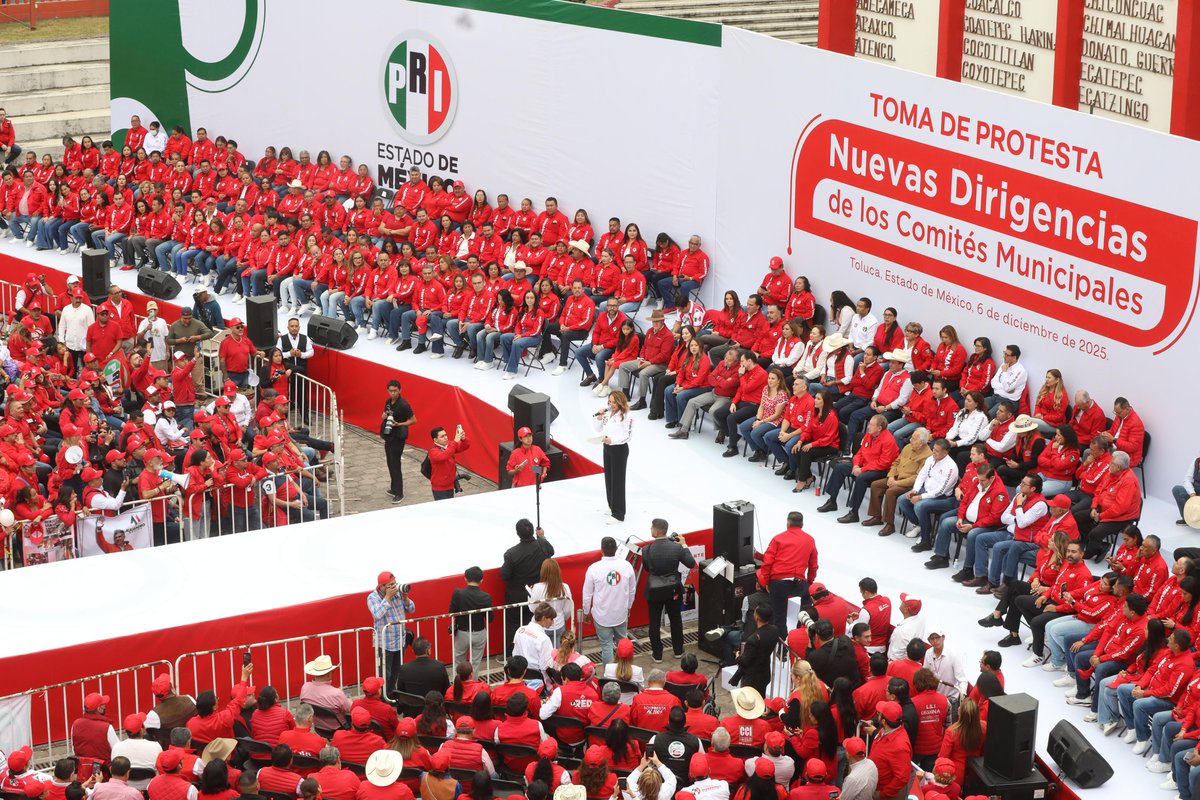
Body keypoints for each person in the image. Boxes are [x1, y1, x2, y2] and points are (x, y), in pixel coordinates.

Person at [641, 519, 696, 662]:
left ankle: (657, 655)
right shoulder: (676, 548)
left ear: (657, 530)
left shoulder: (647, 549)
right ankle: (678, 651)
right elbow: (691, 563)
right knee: (675, 619)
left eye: (652, 527)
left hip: (655, 590)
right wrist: (684, 544)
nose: (650, 529)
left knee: (654, 622)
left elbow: (647, 568)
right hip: (673, 590)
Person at [757, 511, 818, 635]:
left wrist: (767, 581)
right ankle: (801, 630)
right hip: (799, 581)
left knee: (779, 615)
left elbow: (767, 562)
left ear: (788, 523)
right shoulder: (810, 540)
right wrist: (809, 582)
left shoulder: (778, 538)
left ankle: (781, 645)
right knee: (807, 603)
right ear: (802, 524)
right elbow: (813, 565)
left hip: (778, 582)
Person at [500, 519, 554, 655]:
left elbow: (504, 575)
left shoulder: (512, 554)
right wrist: (542, 537)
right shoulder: (541, 546)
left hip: (516, 596)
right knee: (534, 624)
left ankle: (512, 654)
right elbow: (551, 551)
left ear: (518, 533)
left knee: (513, 625)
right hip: (536, 595)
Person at [582, 536, 637, 664]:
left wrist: (586, 612)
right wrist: (629, 606)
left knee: (606, 646)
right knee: (623, 643)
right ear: (616, 549)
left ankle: (609, 677)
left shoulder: (594, 568)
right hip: (620, 614)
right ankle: (625, 671)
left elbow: (587, 594)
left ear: (602, 550)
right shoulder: (626, 566)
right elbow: (632, 590)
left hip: (602, 616)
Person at [369, 571, 416, 697]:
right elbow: (377, 614)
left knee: (396, 671)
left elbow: (412, 609)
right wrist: (388, 598)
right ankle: (382, 696)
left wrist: (405, 597)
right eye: (391, 585)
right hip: (384, 643)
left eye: (395, 583)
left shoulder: (398, 594)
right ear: (382, 586)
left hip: (400, 640)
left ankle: (391, 693)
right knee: (385, 673)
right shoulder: (372, 597)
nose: (394, 587)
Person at [594, 389, 633, 523]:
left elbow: (627, 436)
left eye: (614, 402)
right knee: (609, 477)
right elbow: (598, 429)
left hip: (619, 449)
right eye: (609, 402)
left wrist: (613, 440)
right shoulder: (607, 413)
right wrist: (599, 417)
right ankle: (612, 505)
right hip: (607, 447)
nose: (611, 405)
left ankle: (619, 513)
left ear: (620, 401)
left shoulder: (627, 416)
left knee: (618, 480)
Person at [448, 566, 493, 671]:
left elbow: (451, 612)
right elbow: (490, 618)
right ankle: (474, 686)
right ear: (481, 580)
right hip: (479, 632)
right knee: (475, 664)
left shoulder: (458, 593)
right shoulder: (486, 596)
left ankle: (459, 685)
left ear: (465, 578)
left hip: (462, 633)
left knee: (458, 662)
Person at [732, 604, 778, 695]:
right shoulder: (774, 630)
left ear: (756, 617)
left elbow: (744, 661)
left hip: (753, 678)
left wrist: (737, 656)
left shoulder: (753, 639)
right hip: (764, 674)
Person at [299, 655, 351, 727]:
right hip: (340, 728)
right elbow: (350, 709)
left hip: (319, 728)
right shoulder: (337, 694)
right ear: (329, 674)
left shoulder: (305, 687)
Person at [512, 603, 557, 676]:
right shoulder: (544, 639)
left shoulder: (520, 630)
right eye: (551, 619)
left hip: (519, 675)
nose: (552, 622)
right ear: (544, 618)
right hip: (538, 678)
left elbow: (515, 654)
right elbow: (546, 665)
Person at [427, 425, 469, 501]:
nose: (446, 437)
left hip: (450, 484)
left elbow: (464, 446)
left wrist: (463, 439)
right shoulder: (433, 451)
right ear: (435, 439)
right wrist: (455, 442)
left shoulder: (449, 445)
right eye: (442, 436)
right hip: (440, 488)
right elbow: (444, 456)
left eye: (446, 435)